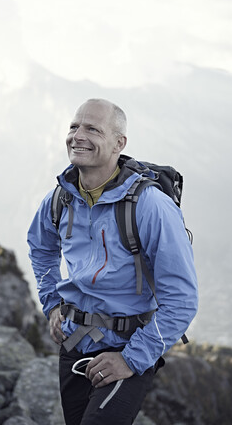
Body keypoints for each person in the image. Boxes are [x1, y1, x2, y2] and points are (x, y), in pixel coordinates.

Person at [27, 98, 198, 425]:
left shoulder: (150, 206)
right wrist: (51, 304)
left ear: (119, 143)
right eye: (74, 126)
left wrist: (131, 360)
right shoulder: (62, 197)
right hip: (73, 343)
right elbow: (41, 247)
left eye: (92, 128)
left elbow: (182, 299)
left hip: (127, 346)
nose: (78, 135)